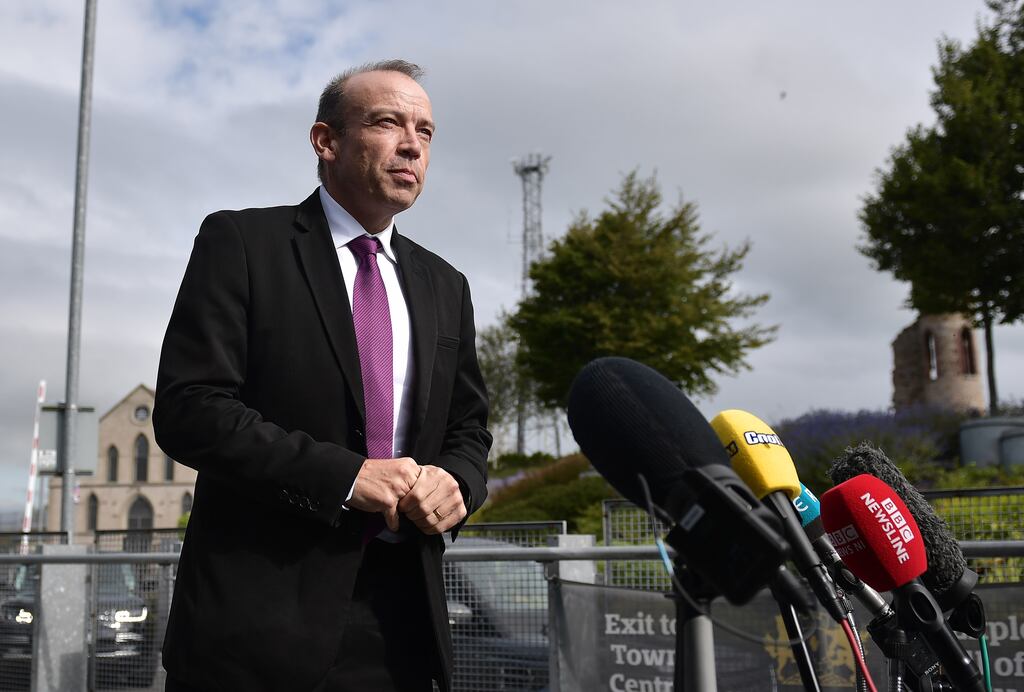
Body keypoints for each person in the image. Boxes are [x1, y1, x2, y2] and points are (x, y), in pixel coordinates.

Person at [153, 59, 491, 692]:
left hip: (404, 629)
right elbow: (189, 408)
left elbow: (470, 428)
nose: (412, 144)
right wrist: (344, 477)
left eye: (425, 130)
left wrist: (458, 485)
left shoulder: (448, 285)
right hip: (256, 630)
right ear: (326, 140)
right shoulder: (242, 243)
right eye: (388, 122)